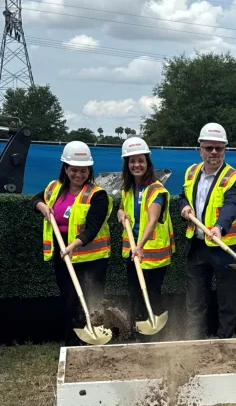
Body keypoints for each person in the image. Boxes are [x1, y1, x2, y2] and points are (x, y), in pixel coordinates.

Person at [33, 141, 112, 342]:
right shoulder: (54, 187)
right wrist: (41, 205)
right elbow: (36, 199)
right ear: (66, 169)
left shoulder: (98, 194)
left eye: (83, 171)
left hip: (91, 257)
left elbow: (92, 228)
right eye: (74, 170)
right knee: (70, 299)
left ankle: (90, 338)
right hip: (63, 255)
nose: (79, 175)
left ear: (89, 170)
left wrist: (72, 245)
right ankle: (72, 342)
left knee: (88, 300)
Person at [176, 123, 236, 340]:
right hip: (197, 246)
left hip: (226, 247)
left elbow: (233, 205)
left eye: (218, 148)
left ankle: (224, 342)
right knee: (196, 300)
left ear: (225, 149)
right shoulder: (190, 172)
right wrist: (183, 206)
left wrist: (219, 227)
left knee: (226, 300)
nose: (214, 152)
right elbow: (182, 196)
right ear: (200, 149)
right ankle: (195, 341)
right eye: (209, 148)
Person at [116, 137, 175, 337]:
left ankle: (157, 335)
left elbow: (152, 219)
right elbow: (123, 208)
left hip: (153, 253)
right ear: (127, 164)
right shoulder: (128, 187)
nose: (136, 165)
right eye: (132, 161)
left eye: (140, 160)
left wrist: (140, 246)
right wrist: (120, 213)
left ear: (147, 162)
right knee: (135, 294)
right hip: (134, 251)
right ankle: (138, 333)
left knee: (151, 293)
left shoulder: (156, 189)